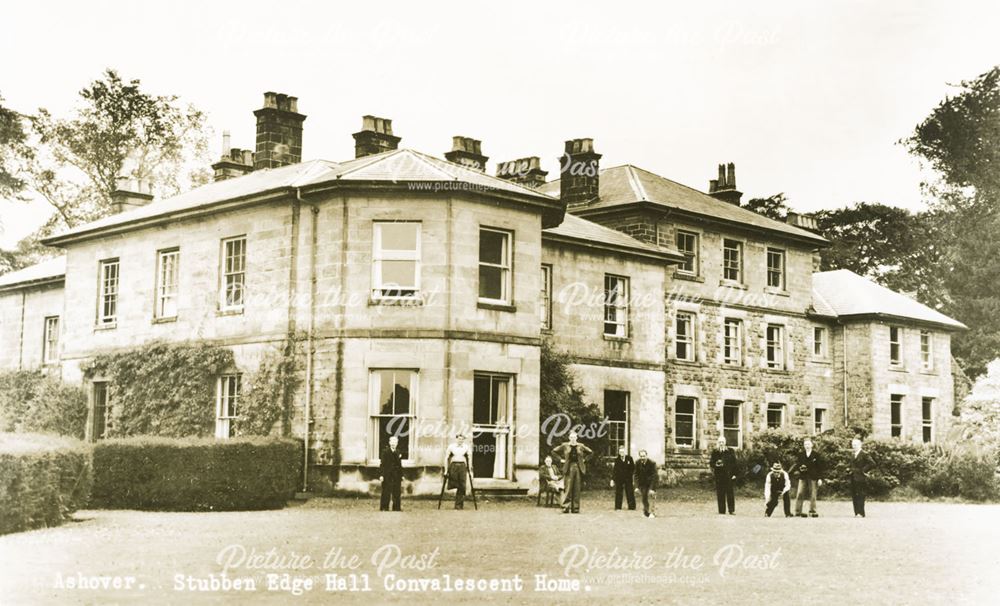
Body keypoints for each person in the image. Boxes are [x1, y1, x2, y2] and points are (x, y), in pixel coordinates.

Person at [551, 430, 593, 513]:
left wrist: (584, 460)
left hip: (578, 467)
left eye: (574, 437)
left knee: (577, 488)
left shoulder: (581, 446)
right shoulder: (565, 445)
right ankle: (566, 507)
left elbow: (591, 452)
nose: (573, 439)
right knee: (568, 488)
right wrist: (561, 460)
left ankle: (576, 508)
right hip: (568, 468)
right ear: (569, 438)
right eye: (571, 437)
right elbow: (554, 451)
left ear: (577, 438)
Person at [793, 438, 823, 518]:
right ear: (804, 445)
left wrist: (820, 478)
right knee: (799, 493)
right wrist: (800, 468)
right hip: (803, 476)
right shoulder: (801, 454)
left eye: (808, 444)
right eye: (805, 444)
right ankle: (798, 511)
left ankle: (812, 511)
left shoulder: (816, 455)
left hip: (813, 477)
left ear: (812, 445)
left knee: (813, 494)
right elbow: (797, 465)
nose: (807, 446)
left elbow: (820, 467)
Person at [709, 436, 736, 515]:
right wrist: (715, 464)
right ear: (718, 443)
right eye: (720, 442)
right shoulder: (715, 452)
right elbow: (711, 463)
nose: (721, 444)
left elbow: (734, 463)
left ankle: (731, 510)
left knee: (730, 493)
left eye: (722, 442)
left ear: (725, 443)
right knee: (720, 493)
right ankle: (721, 510)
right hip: (719, 476)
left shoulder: (730, 451)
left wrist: (734, 474)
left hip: (728, 475)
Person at [849, 437, 875, 517]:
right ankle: (856, 513)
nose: (854, 446)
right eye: (853, 445)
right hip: (853, 477)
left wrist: (863, 470)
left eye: (856, 445)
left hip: (861, 478)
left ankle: (861, 513)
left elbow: (872, 463)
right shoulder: (853, 455)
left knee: (860, 495)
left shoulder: (864, 454)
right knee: (854, 495)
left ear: (860, 445)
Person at [445, 434, 472, 510]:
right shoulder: (451, 446)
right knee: (454, 484)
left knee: (462, 485)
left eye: (462, 439)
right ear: (456, 439)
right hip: (453, 466)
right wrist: (446, 470)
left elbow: (469, 458)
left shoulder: (466, 447)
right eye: (459, 439)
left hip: (462, 466)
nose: (460, 440)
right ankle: (457, 503)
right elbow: (446, 457)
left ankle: (459, 505)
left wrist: (469, 468)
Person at [379, 436, 404, 512]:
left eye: (395, 442)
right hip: (387, 475)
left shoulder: (398, 452)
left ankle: (396, 507)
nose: (393, 444)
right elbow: (382, 464)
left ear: (397, 443)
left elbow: (400, 465)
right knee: (386, 491)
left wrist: (402, 475)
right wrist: (381, 475)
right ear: (389, 443)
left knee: (396, 492)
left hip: (396, 475)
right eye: (392, 442)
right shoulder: (385, 452)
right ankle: (384, 507)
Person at [633, 449, 658, 518]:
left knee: (651, 497)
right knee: (644, 498)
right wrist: (636, 486)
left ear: (646, 455)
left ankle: (653, 513)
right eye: (641, 456)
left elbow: (654, 476)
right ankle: (646, 512)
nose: (642, 458)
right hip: (643, 484)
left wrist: (652, 488)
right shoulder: (637, 463)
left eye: (644, 456)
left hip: (651, 483)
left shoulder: (652, 463)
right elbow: (636, 475)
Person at [610, 445, 636, 511]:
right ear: (618, 452)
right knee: (618, 492)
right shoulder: (617, 460)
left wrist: (632, 478)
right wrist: (613, 479)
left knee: (630, 492)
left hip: (628, 478)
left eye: (623, 451)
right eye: (620, 452)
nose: (622, 453)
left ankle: (632, 507)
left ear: (625, 452)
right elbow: (615, 470)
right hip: (619, 478)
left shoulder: (629, 458)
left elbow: (633, 469)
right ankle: (618, 507)